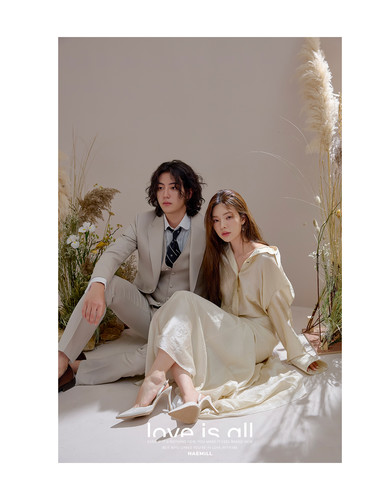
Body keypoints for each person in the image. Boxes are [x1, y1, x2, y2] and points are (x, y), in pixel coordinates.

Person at [116, 189, 327, 423]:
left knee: (182, 303)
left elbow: (279, 311)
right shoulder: (221, 256)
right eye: (216, 220)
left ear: (243, 219)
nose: (222, 226)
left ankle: (155, 379)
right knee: (181, 326)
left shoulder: (265, 259)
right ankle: (189, 396)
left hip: (257, 336)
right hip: (229, 329)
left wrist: (298, 355)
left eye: (228, 217)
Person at [58, 160, 206, 391]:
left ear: (189, 192)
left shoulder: (207, 228)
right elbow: (113, 254)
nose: (165, 194)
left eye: (173, 187)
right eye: (160, 187)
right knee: (106, 284)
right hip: (148, 311)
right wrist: (97, 286)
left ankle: (77, 369)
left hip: (183, 321)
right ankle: (60, 360)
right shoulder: (143, 222)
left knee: (150, 358)